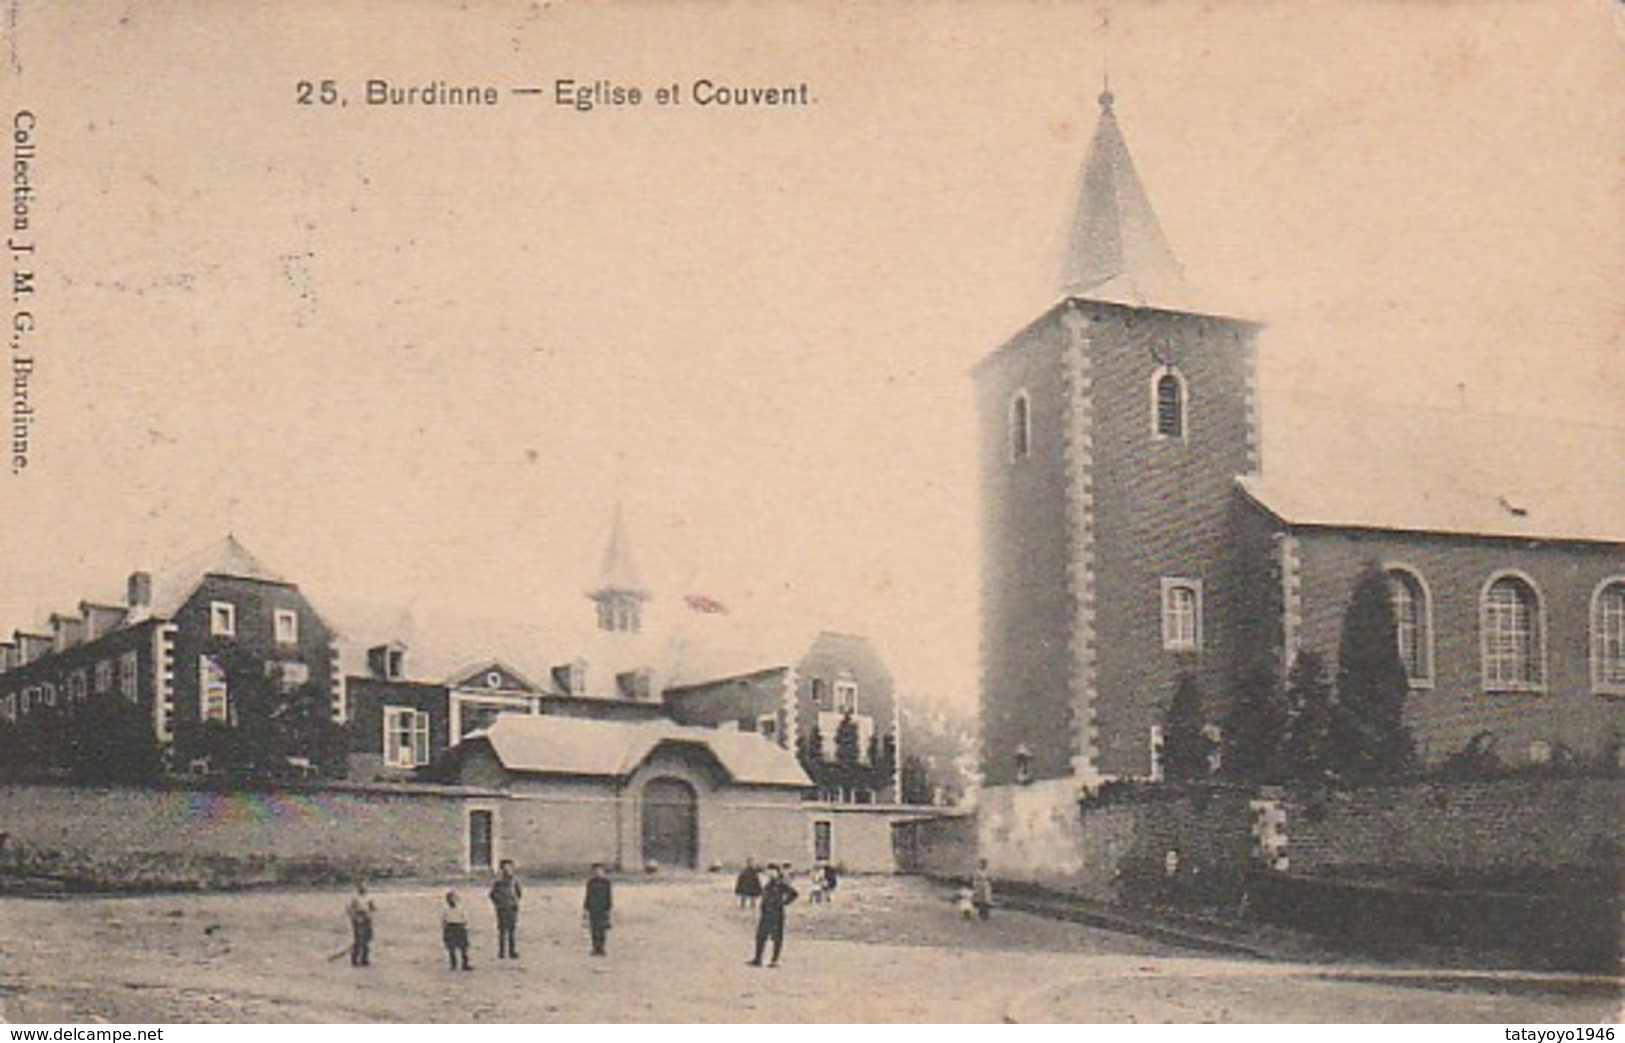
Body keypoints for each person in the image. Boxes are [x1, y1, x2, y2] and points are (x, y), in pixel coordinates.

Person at [746, 863, 798, 968]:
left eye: (772, 871)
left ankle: (774, 960)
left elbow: (794, 894)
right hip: (765, 913)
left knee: (776, 937)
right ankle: (758, 959)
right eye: (768, 871)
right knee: (760, 936)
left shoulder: (781, 884)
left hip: (776, 913)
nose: (770, 873)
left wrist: (784, 902)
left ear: (776, 872)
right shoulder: (767, 883)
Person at [488, 859, 523, 959]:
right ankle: (501, 952)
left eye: (510, 868)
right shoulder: (498, 882)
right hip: (502, 909)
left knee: (512, 930)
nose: (508, 870)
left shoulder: (514, 881)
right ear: (502, 870)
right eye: (506, 868)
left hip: (512, 908)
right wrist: (498, 903)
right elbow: (492, 894)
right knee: (502, 931)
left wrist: (515, 902)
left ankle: (512, 951)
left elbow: (519, 893)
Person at [582, 863, 613, 957]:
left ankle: (602, 947)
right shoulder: (591, 882)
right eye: (596, 871)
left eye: (600, 871)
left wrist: (608, 907)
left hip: (602, 908)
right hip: (593, 908)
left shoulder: (606, 883)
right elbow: (588, 895)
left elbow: (609, 896)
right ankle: (595, 947)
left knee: (602, 928)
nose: (598, 873)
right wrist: (586, 908)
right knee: (594, 928)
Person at [346, 881, 375, 967]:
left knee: (367, 939)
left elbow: (372, 908)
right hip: (358, 919)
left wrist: (370, 911)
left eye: (365, 887)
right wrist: (355, 917)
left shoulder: (369, 897)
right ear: (358, 888)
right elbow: (349, 910)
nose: (364, 888)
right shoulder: (354, 898)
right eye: (361, 887)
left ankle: (364, 959)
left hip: (367, 918)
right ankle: (354, 959)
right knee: (359, 940)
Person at [441, 891, 472, 971]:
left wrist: (466, 927)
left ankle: (465, 964)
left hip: (459, 927)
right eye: (450, 899)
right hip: (451, 927)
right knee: (451, 948)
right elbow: (443, 920)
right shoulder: (445, 909)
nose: (452, 901)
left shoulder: (460, 908)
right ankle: (453, 964)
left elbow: (465, 918)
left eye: (453, 898)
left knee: (463, 948)